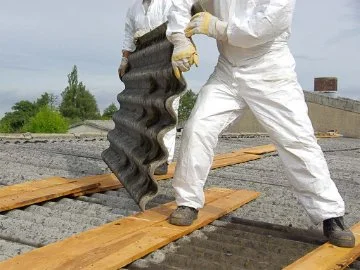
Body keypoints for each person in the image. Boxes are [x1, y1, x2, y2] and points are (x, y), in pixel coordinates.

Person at [166, 0, 355, 248]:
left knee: (297, 140)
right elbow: (181, 3)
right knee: (198, 128)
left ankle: (330, 215)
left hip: (270, 70)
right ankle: (188, 201)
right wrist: (180, 38)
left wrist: (216, 28)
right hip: (227, 71)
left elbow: (260, 28)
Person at [119, 0, 179, 175]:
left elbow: (180, 27)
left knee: (167, 109)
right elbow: (128, 34)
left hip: (167, 58)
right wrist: (124, 60)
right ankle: (145, 154)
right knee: (145, 109)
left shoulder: (169, 3)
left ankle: (163, 159)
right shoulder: (134, 8)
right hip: (143, 60)